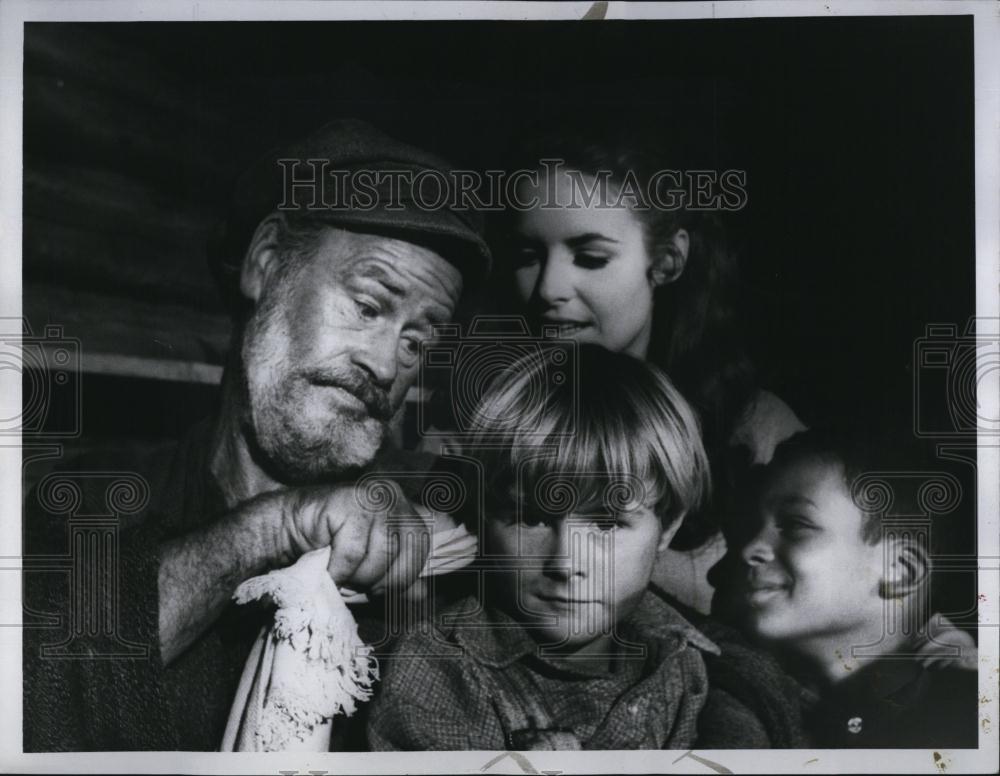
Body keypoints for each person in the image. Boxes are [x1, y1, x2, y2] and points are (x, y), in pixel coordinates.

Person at [22, 119, 491, 751]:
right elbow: (29, 692)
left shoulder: (438, 550)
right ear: (266, 265)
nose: (386, 365)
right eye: (369, 305)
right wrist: (277, 528)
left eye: (416, 341)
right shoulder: (88, 500)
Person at [366, 345, 803, 750]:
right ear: (483, 515)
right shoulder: (436, 671)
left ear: (666, 528)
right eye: (533, 518)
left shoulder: (684, 656)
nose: (565, 561)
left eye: (606, 523)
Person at [452, 124, 805, 614]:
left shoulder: (755, 431)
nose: (549, 287)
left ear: (667, 259)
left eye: (590, 257)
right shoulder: (478, 426)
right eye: (528, 256)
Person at [725, 427, 978, 748]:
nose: (750, 548)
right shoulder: (739, 694)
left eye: (795, 525)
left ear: (900, 571)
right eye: (752, 526)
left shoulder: (965, 719)